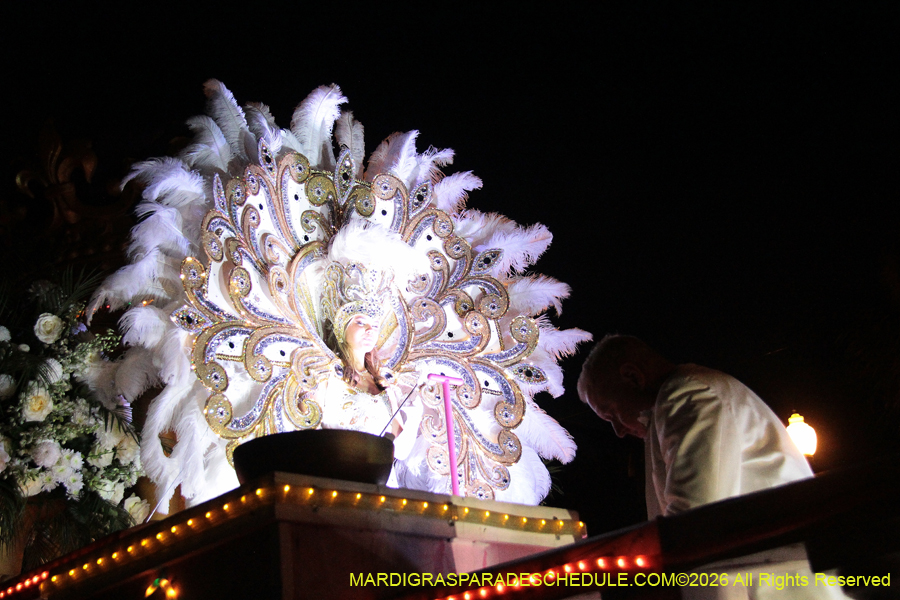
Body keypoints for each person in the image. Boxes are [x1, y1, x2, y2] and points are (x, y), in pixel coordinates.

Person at [577, 334, 812, 518]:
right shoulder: (672, 404)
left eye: (612, 415)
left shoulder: (690, 395)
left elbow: (693, 517)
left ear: (633, 377)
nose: (618, 432)